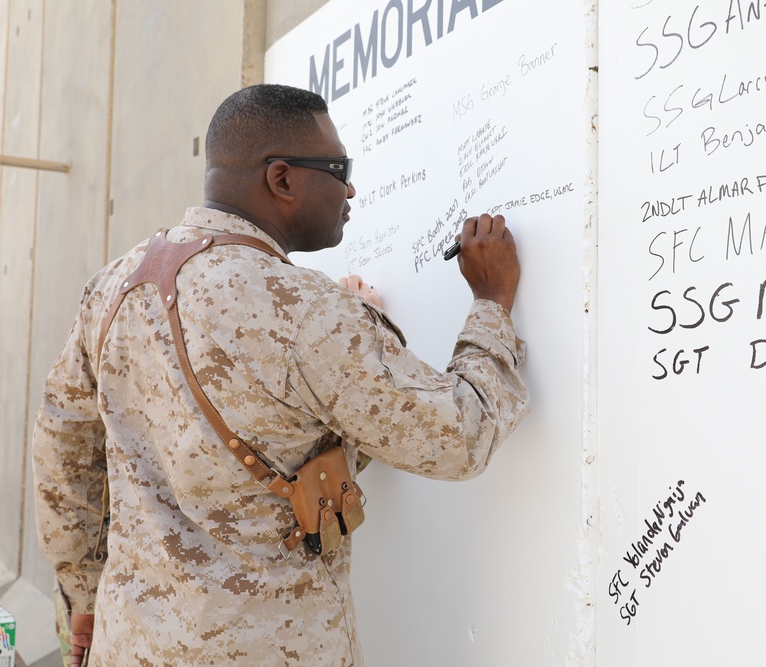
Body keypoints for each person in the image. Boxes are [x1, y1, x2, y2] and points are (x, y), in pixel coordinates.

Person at [32, 83, 529, 666]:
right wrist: (492, 304)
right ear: (283, 179)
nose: (350, 188)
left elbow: (62, 457)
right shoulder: (306, 312)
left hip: (132, 645)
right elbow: (459, 437)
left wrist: (86, 593)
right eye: (339, 168)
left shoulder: (113, 287)